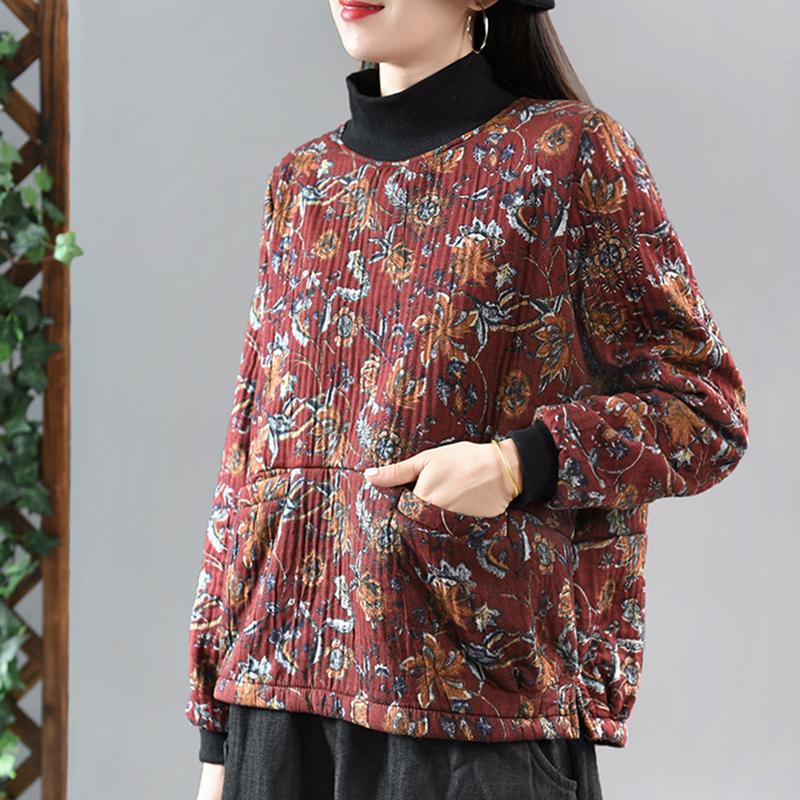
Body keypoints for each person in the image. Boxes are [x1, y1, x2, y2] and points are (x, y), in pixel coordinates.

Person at [187, 1, 750, 798]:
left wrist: (518, 464)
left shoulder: (566, 157)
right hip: (275, 712)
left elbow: (705, 408)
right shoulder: (302, 183)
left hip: (472, 717)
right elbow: (248, 457)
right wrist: (215, 740)